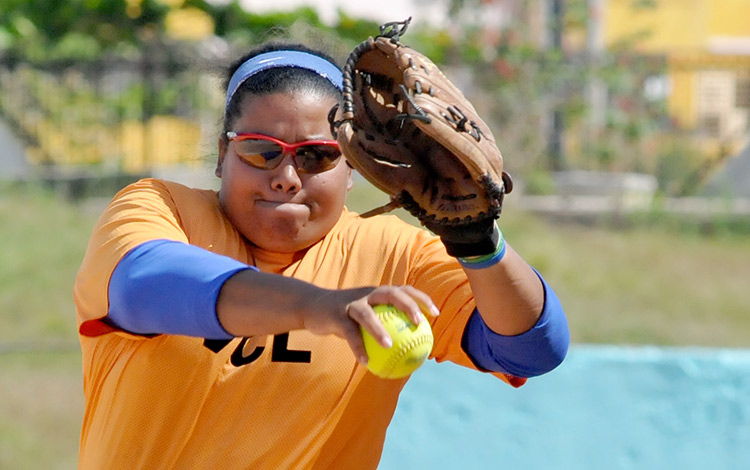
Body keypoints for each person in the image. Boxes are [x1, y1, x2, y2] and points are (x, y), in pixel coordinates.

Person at [74, 40, 569, 469]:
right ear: (223, 157)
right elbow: (145, 285)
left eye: (317, 155)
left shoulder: (395, 256)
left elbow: (530, 349)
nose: (287, 175)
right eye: (260, 150)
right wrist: (316, 306)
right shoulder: (164, 209)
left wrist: (478, 244)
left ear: (354, 167)